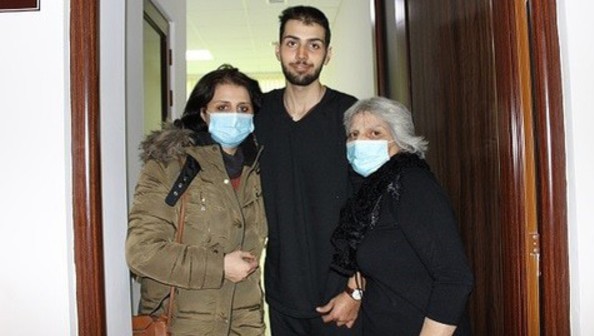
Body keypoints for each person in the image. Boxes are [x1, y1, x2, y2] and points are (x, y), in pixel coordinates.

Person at [125, 64, 267, 336]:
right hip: (182, 326)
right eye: (223, 107)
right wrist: (219, 266)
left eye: (243, 108)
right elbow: (141, 252)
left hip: (244, 328)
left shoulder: (258, 172)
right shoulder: (170, 167)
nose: (234, 116)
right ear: (204, 112)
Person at [254, 5, 362, 335]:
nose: (302, 54)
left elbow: (372, 208)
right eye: (292, 43)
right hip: (283, 294)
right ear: (277, 49)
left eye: (314, 45)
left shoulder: (351, 116)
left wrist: (355, 289)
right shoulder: (260, 115)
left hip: (339, 298)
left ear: (327, 54)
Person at [330, 96, 475, 336]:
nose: (360, 141)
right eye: (353, 135)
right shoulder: (369, 192)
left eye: (375, 133)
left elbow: (455, 279)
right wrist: (353, 292)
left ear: (401, 139)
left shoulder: (411, 184)